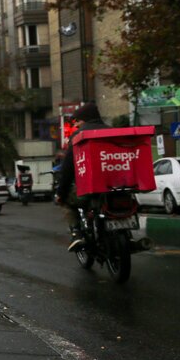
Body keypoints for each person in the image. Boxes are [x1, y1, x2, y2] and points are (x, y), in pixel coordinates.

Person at [55, 102, 109, 252]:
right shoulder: (113, 131)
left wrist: (61, 193)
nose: (77, 125)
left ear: (84, 119)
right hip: (116, 186)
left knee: (67, 202)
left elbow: (67, 168)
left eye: (78, 121)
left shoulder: (78, 137)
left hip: (91, 190)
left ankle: (76, 234)